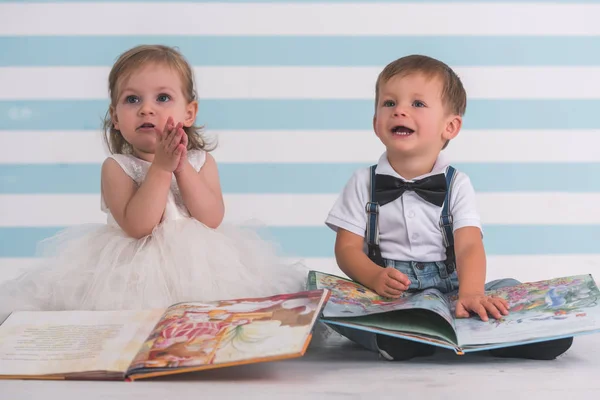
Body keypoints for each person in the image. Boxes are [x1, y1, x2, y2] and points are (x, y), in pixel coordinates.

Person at [0, 44, 307, 313]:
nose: (147, 108)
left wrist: (181, 167)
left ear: (189, 113)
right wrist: (160, 168)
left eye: (162, 98)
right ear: (116, 118)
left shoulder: (201, 162)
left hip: (202, 266)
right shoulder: (116, 167)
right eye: (132, 100)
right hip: (132, 273)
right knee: (133, 320)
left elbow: (211, 217)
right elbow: (138, 226)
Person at [324, 54, 573, 361]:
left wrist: (470, 293)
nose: (399, 110)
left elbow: (468, 245)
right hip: (391, 293)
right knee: (330, 302)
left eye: (417, 104)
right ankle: (406, 334)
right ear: (376, 123)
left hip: (451, 288)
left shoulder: (457, 183)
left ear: (450, 126)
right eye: (389, 103)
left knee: (510, 289)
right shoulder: (363, 182)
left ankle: (501, 330)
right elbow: (347, 249)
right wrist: (374, 276)